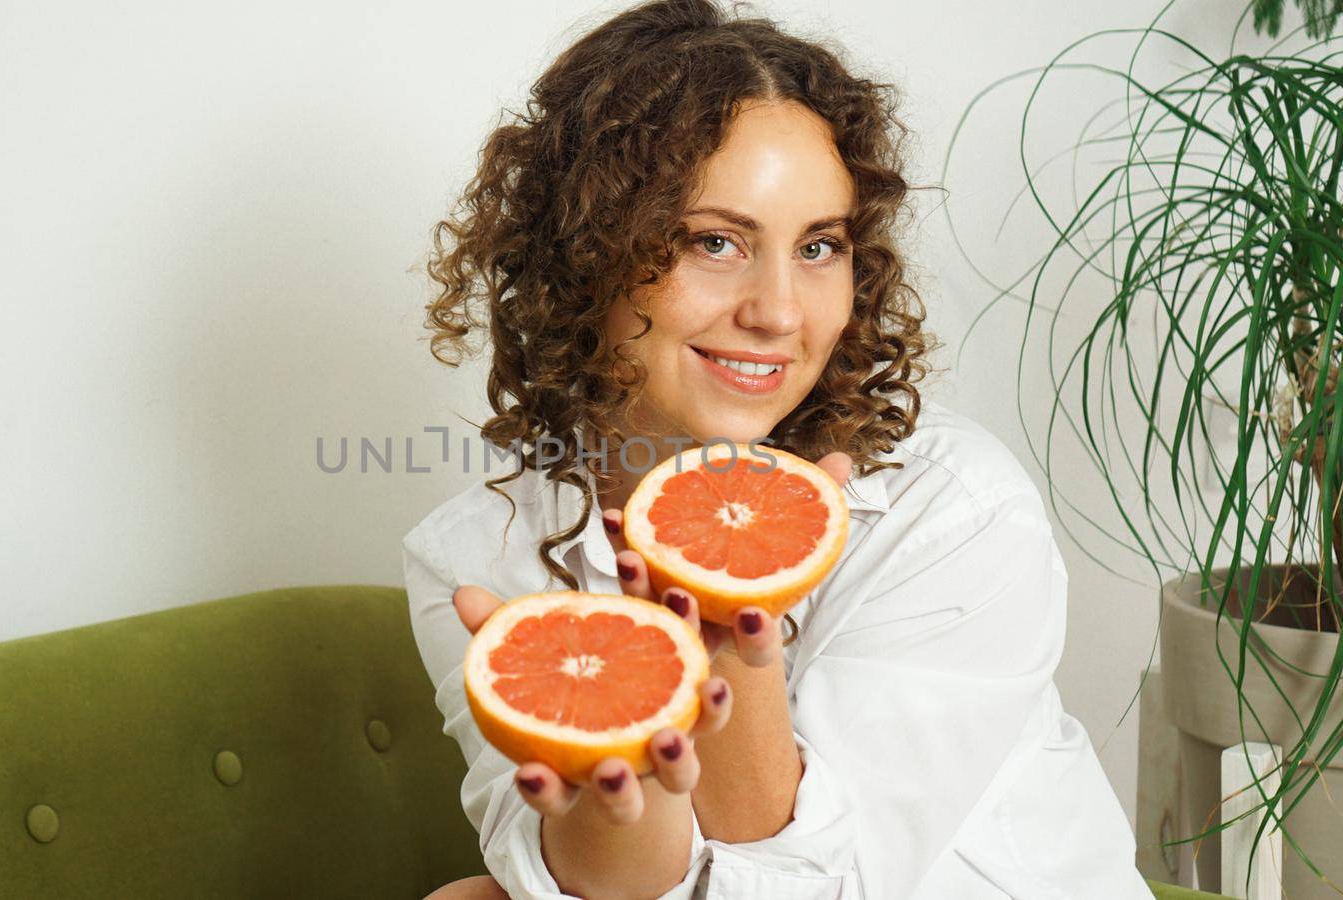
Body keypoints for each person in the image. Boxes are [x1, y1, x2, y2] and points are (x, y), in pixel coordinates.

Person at [403, 1, 1152, 897]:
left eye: (819, 246)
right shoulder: (476, 558)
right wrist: (610, 796)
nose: (780, 313)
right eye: (715, 241)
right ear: (584, 252)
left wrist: (731, 651)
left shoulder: (953, 509)